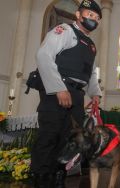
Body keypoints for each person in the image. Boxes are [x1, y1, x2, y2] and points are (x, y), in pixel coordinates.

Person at [31, 0, 102, 187]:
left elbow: (91, 72)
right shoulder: (65, 31)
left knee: (68, 139)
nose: (93, 19)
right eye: (89, 14)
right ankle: (41, 179)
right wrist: (58, 88)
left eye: (96, 17)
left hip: (77, 95)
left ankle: (59, 177)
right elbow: (44, 55)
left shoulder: (91, 45)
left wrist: (95, 93)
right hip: (56, 91)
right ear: (78, 15)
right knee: (49, 136)